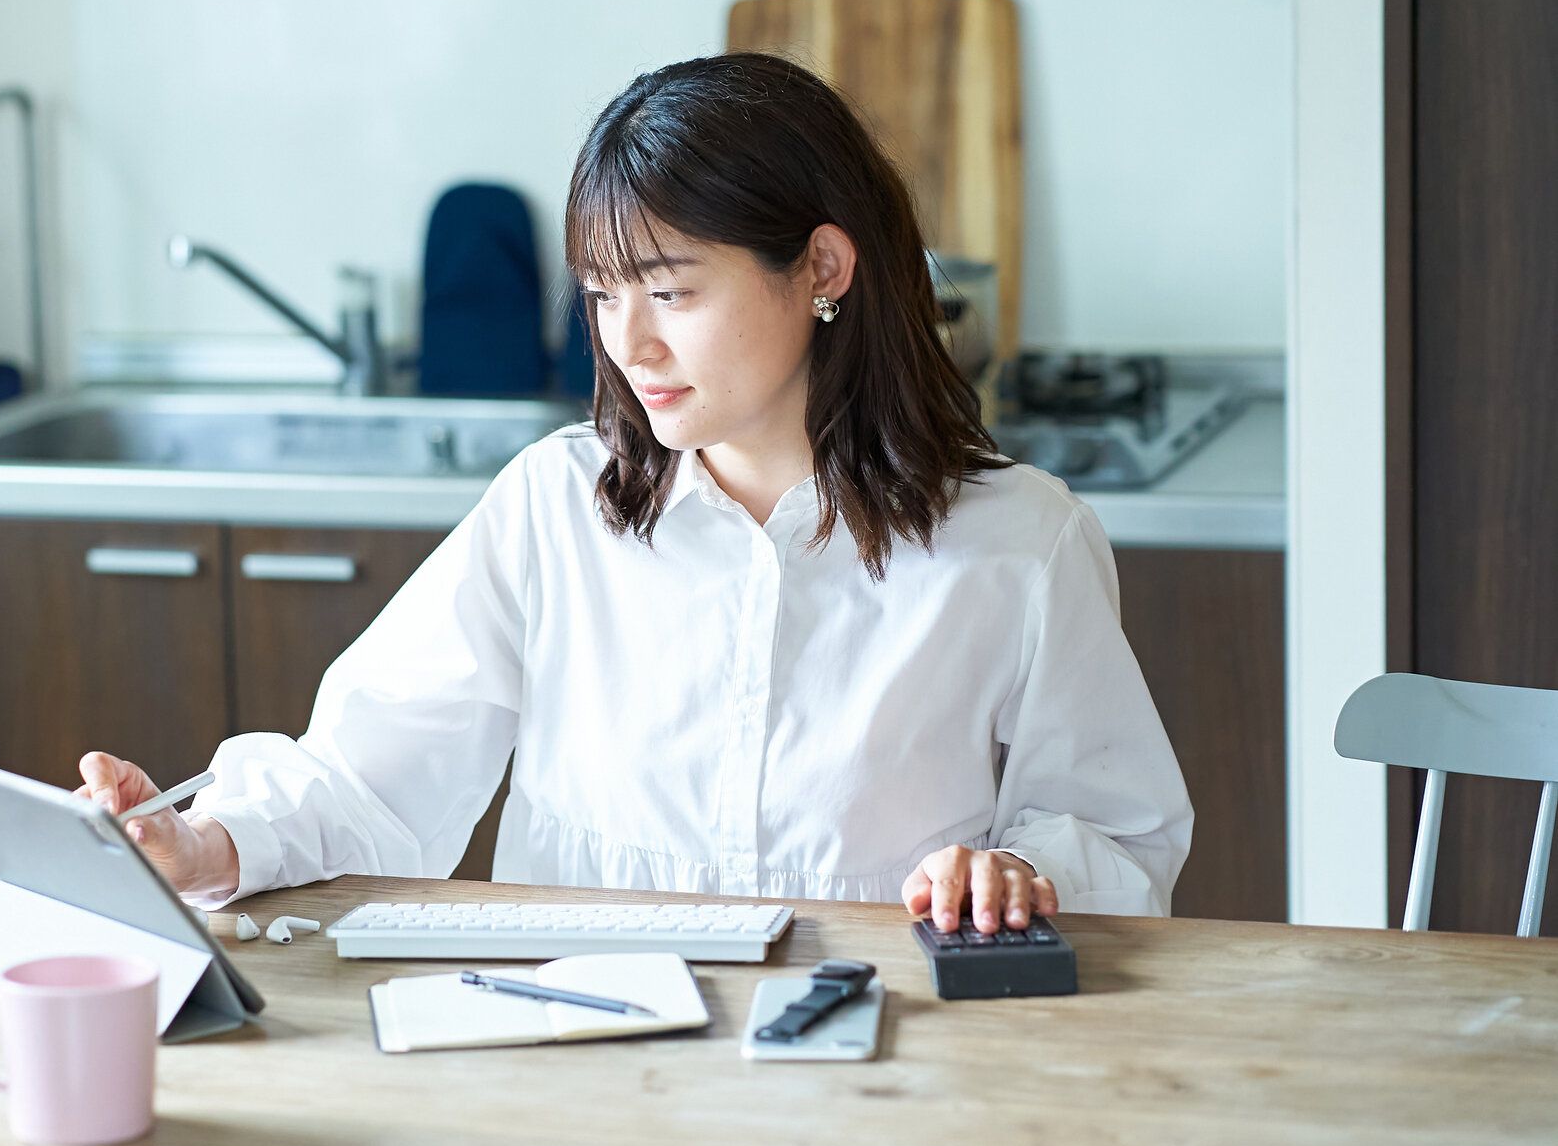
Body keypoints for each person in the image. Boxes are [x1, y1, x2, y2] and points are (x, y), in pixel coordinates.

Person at [75, 52, 1191, 937]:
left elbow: (1114, 831)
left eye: (670, 289)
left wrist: (1017, 874)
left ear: (823, 269)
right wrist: (204, 840)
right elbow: (368, 770)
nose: (630, 339)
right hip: (579, 1059)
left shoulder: (1020, 541)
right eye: (605, 292)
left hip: (873, 1069)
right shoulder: (552, 509)